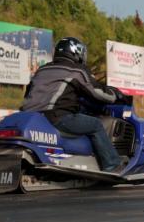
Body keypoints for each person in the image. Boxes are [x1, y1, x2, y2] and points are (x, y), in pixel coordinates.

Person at [20, 37, 125, 173]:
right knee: (95, 125)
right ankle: (112, 165)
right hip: (57, 117)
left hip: (31, 117)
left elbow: (28, 93)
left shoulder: (42, 70)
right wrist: (116, 94)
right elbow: (98, 92)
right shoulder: (76, 70)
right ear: (77, 52)